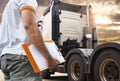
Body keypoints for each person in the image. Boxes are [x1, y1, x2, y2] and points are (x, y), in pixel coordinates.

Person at [0, 0, 59, 81]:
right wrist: (48, 59)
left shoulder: (9, 6)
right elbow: (29, 26)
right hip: (21, 60)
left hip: (6, 58)